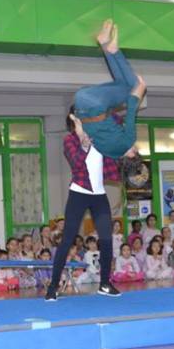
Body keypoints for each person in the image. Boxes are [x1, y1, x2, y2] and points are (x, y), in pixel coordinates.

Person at [47, 22, 146, 302]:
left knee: (106, 239)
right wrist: (82, 140)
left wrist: (130, 150)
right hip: (79, 194)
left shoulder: (103, 128)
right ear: (74, 120)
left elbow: (119, 130)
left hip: (99, 194)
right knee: (67, 240)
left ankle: (105, 283)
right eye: (76, 119)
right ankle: (52, 287)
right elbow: (77, 163)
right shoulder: (69, 140)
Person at [71, 19, 146, 160]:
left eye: (135, 150)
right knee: (123, 84)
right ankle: (106, 44)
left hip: (96, 103)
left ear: (132, 154)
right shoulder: (104, 152)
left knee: (134, 84)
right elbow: (84, 136)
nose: (135, 147)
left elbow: (131, 111)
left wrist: (139, 92)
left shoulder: (128, 142)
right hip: (81, 102)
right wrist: (78, 125)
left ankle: (112, 49)